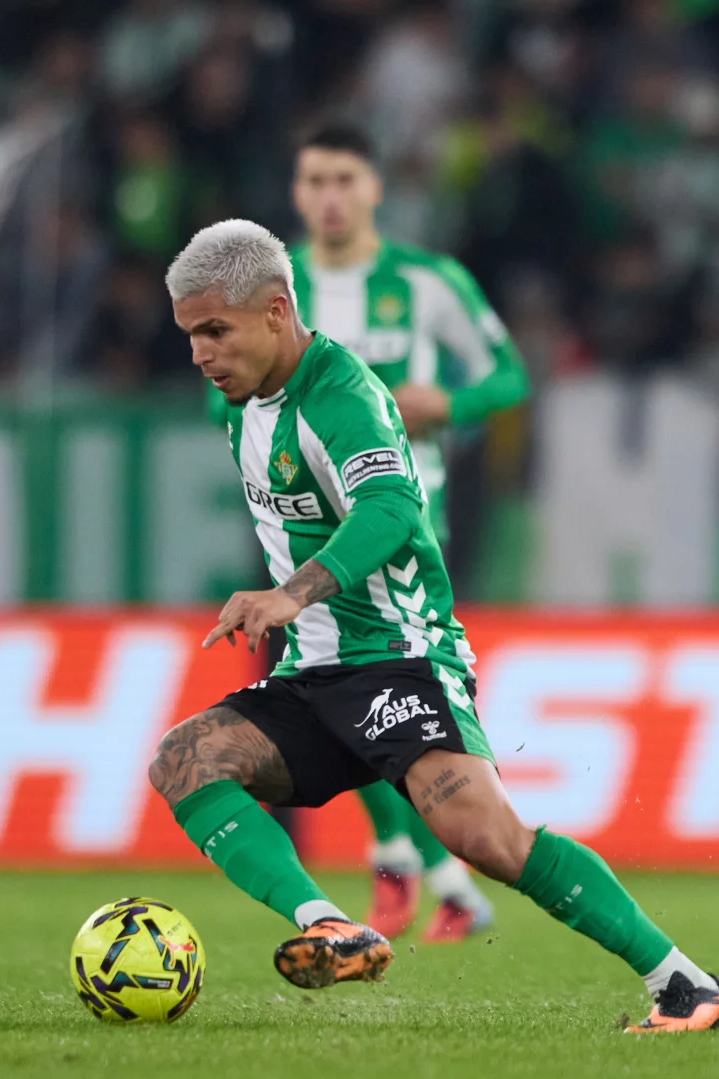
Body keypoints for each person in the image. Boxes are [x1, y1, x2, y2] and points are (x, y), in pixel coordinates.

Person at [156, 219, 719, 1033]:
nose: (201, 354)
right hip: (313, 673)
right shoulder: (242, 406)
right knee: (186, 759)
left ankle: (684, 983)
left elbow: (393, 507)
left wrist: (293, 593)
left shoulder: (344, 394)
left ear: (278, 310)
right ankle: (329, 922)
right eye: (189, 336)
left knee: (485, 837)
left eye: (214, 330)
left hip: (398, 657)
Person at [210, 123, 529, 943]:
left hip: (402, 521)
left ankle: (421, 865)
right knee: (333, 680)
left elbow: (509, 373)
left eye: (345, 178)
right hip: (297, 524)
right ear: (296, 194)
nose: (330, 196)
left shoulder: (427, 283)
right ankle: (422, 869)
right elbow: (233, 393)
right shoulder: (279, 290)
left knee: (367, 686)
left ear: (374, 188)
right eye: (315, 180)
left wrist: (450, 403)